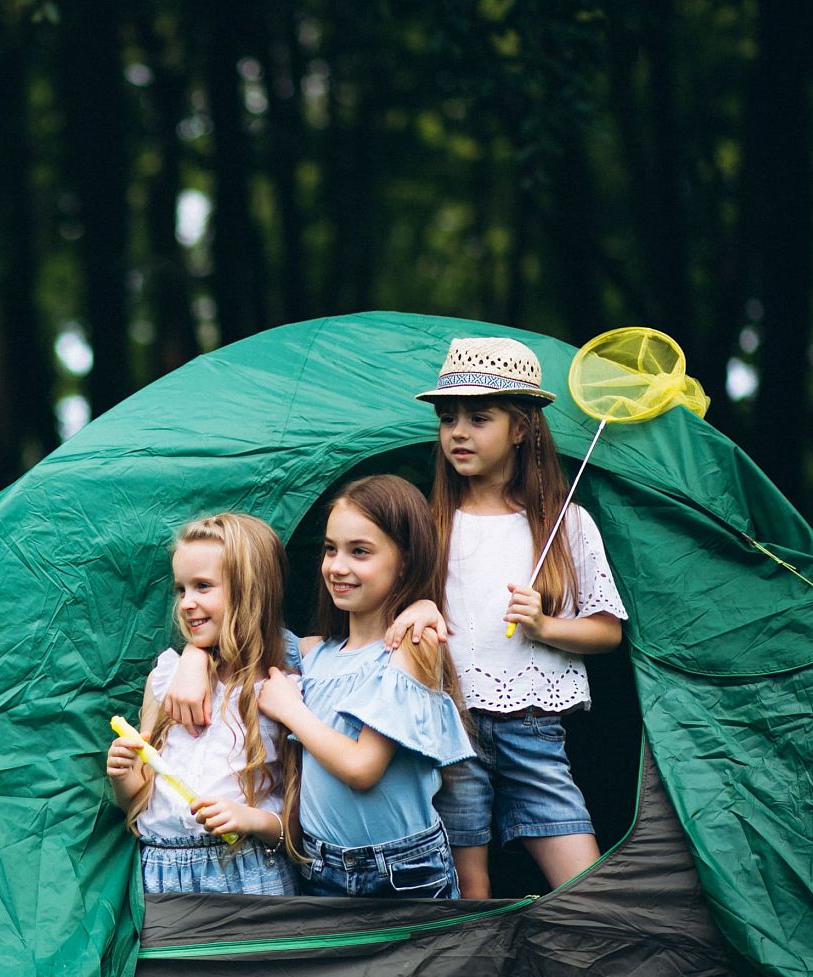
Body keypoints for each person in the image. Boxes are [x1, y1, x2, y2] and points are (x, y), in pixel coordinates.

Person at [394, 336, 628, 898]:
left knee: (583, 885)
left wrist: (546, 627)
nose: (458, 432)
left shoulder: (565, 524)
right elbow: (390, 623)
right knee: (468, 889)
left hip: (534, 729)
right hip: (451, 727)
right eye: (448, 418)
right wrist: (419, 607)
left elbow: (608, 632)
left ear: (521, 428)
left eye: (479, 417)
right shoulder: (430, 522)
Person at [252, 475, 477, 899]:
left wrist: (291, 710)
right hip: (320, 867)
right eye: (330, 549)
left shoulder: (412, 646)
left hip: (400, 872)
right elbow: (237, 637)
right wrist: (191, 658)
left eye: (360, 552)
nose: (337, 566)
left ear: (406, 561)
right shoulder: (316, 653)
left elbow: (362, 769)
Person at [106, 513, 299, 895]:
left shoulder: (281, 688)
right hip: (160, 871)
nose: (186, 603)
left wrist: (250, 819)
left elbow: (298, 824)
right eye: (181, 590)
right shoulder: (166, 677)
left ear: (249, 591)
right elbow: (142, 795)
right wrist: (123, 775)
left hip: (247, 869)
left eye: (203, 587)